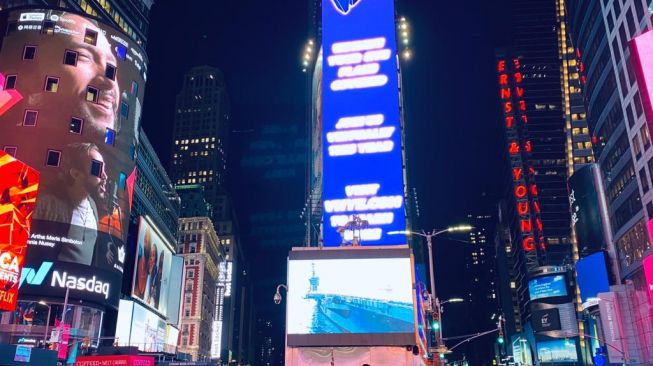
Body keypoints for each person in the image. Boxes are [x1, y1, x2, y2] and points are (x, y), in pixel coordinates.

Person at [33, 143, 107, 266]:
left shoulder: (92, 206)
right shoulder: (46, 203)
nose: (105, 176)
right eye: (97, 169)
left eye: (104, 169)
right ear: (76, 174)